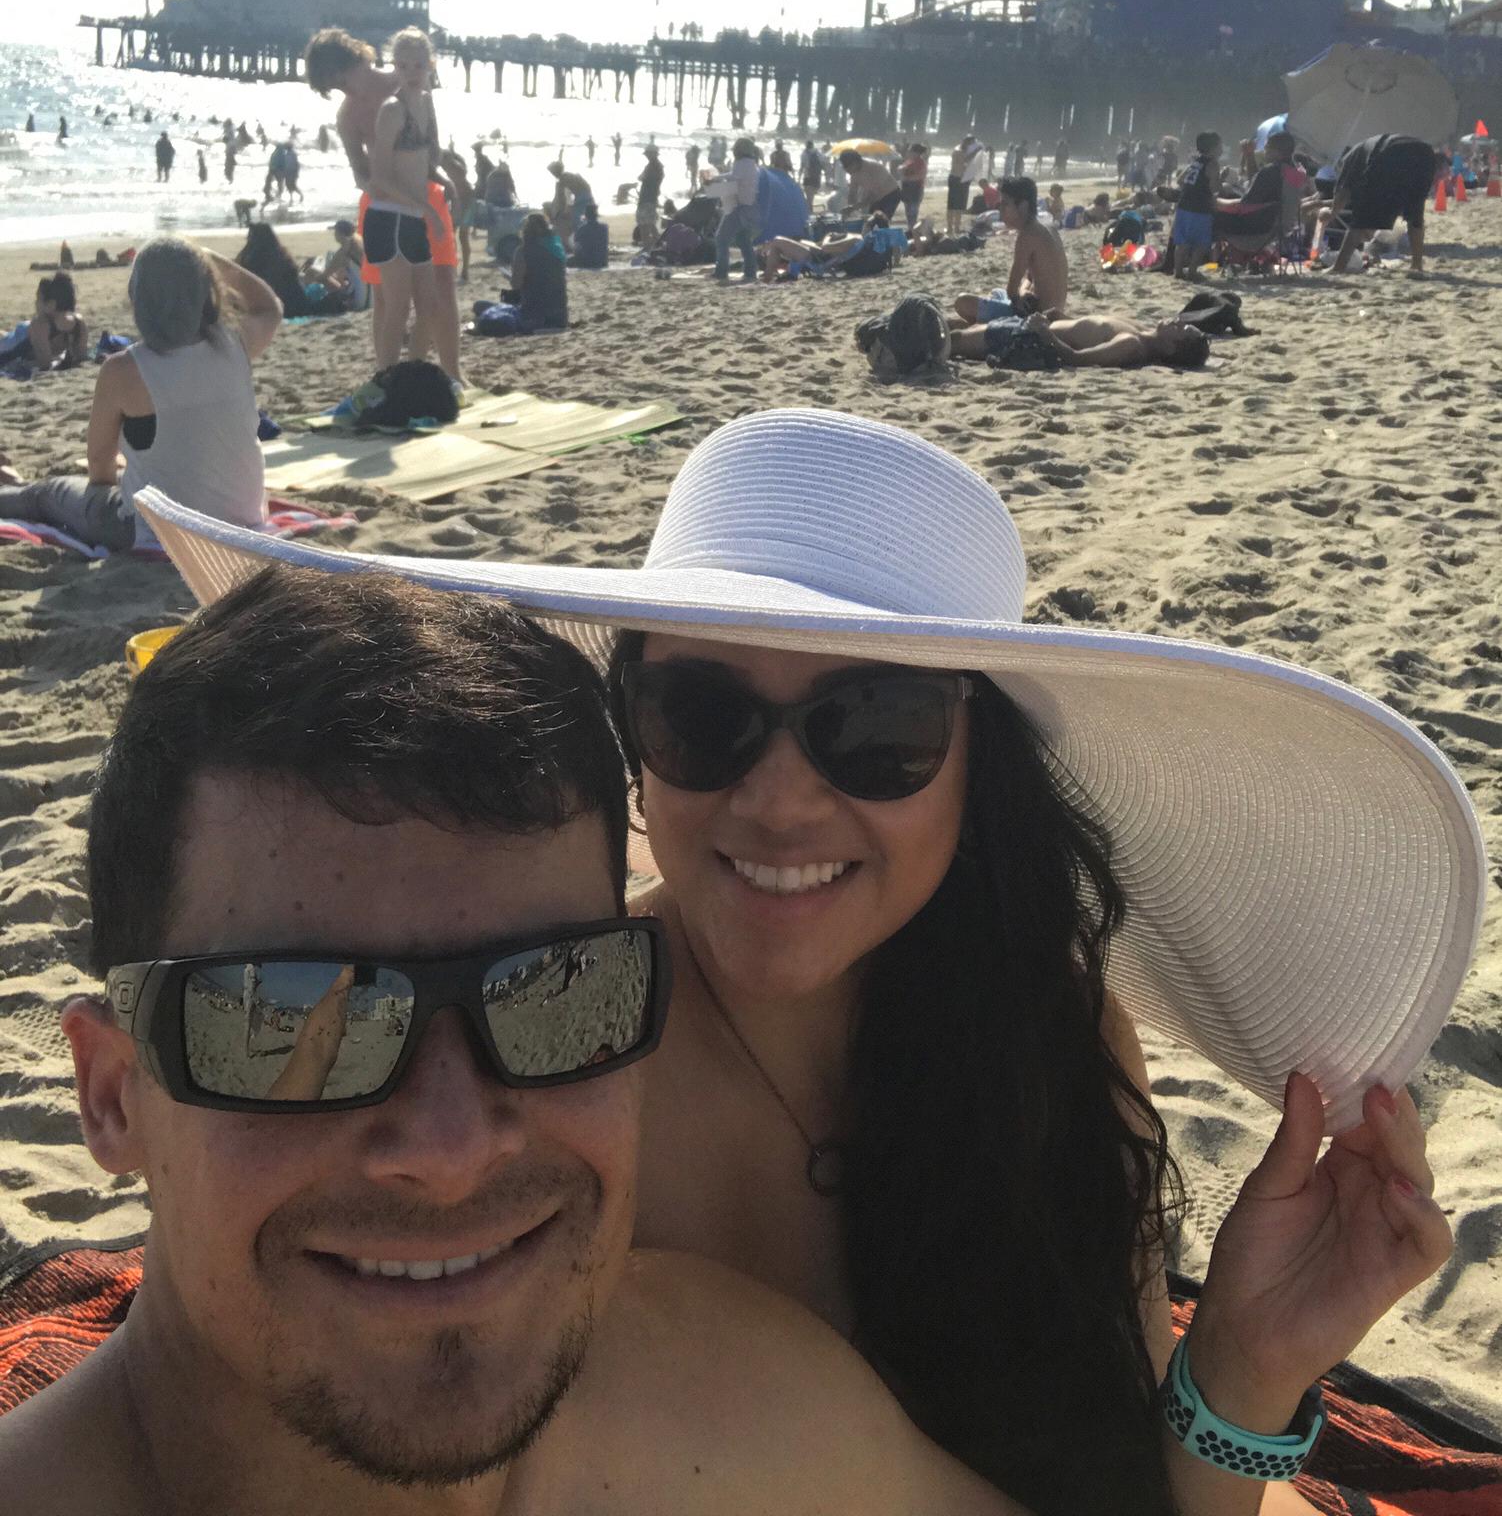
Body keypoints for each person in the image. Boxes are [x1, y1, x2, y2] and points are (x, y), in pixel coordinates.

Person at [146, 410, 1476, 1516]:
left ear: (974, 767)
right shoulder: (537, 1072)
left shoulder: (1043, 1029)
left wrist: (1243, 1367)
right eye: (705, 714)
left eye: (872, 726)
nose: (778, 804)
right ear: (631, 737)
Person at [0, 562, 1033, 1516]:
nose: (451, 1150)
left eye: (551, 990)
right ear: (112, 1093)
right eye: (292, 1018)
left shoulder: (742, 1398)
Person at [0, 241, 278, 552]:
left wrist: (103, 495)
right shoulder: (234, 345)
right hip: (242, 518)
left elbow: (99, 465)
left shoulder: (124, 369)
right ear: (204, 291)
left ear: (138, 299)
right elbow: (269, 306)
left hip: (152, 530)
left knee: (48, 494)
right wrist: (209, 259)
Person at [364, 29, 458, 381]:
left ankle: (413, 374)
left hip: (415, 215)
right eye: (403, 65)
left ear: (430, 65)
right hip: (388, 219)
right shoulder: (392, 110)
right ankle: (387, 380)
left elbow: (425, 161)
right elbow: (380, 180)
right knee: (397, 308)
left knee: (430, 307)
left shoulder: (427, 103)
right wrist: (429, 209)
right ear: (394, 67)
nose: (412, 71)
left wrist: (444, 180)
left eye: (418, 64)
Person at [952, 177, 1068, 323]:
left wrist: (1018, 294)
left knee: (962, 302)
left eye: (1005, 204)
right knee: (995, 292)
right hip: (1050, 308)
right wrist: (1024, 291)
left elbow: (1011, 290)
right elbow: (1030, 277)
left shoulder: (1027, 235)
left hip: (1037, 316)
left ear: (1023, 206)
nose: (1000, 209)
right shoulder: (1047, 228)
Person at [1324, 136, 1443, 278]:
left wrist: (1332, 213)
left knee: (1362, 218)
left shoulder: (1350, 159)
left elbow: (1343, 192)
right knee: (1415, 213)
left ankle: (1339, 267)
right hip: (1424, 154)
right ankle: (1416, 266)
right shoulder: (1364, 148)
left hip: (1388, 154)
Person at [951, 309, 1210, 371]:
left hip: (1027, 336)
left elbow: (1078, 359)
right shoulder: (1142, 331)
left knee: (955, 340)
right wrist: (1060, 317)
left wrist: (1046, 333)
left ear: (1170, 346)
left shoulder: (1132, 345)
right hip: (1038, 324)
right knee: (959, 326)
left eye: (1181, 329)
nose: (1177, 321)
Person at [762, 210, 902, 283]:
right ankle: (786, 273)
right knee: (802, 241)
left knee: (777, 241)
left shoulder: (856, 238)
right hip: (824, 259)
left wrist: (829, 236)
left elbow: (825, 248)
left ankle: (767, 279)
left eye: (865, 225)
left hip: (817, 259)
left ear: (868, 227)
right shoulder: (873, 245)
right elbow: (897, 256)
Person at [0, 273, 88, 375]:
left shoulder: (78, 325)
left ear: (51, 305)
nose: (35, 303)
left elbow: (80, 358)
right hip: (18, 337)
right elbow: (45, 364)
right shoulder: (76, 324)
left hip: (26, 330)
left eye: (38, 299)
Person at [1170, 132, 1222, 280]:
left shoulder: (1195, 161)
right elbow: (1214, 188)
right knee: (1201, 242)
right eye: (1220, 145)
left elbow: (1180, 180)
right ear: (1213, 148)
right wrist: (1221, 182)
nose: (1222, 149)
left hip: (1184, 205)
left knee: (1182, 242)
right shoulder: (1213, 163)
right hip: (1200, 207)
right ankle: (1192, 271)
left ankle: (1178, 272)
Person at [238, 220, 311, 319]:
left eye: (250, 236)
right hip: (298, 303)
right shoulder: (280, 252)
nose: (247, 238)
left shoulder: (258, 257)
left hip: (282, 305)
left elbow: (245, 275)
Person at [509, 212, 569, 329]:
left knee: (481, 305)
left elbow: (516, 285)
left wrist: (511, 276)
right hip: (559, 316)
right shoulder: (557, 248)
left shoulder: (523, 251)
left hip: (533, 315)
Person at [714, 139, 761, 283]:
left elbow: (734, 177)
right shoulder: (751, 164)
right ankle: (750, 272)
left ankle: (721, 272)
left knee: (721, 238)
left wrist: (715, 178)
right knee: (743, 240)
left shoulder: (742, 163)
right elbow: (736, 177)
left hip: (739, 207)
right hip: (749, 206)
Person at [838, 150, 902, 220]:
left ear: (855, 162)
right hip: (875, 197)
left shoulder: (872, 167)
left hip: (891, 194)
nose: (847, 171)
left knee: (880, 219)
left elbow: (874, 194)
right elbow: (852, 193)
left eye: (848, 167)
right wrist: (849, 208)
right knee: (870, 221)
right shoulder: (854, 173)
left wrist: (855, 207)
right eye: (845, 168)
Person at [571, 199, 610, 270]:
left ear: (586, 216)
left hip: (587, 262)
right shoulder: (604, 228)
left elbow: (577, 248)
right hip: (602, 261)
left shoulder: (581, 229)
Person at [638, 147, 665, 245]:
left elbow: (643, 178)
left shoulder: (653, 166)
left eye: (648, 154)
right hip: (651, 197)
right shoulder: (656, 166)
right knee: (650, 223)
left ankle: (648, 247)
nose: (647, 156)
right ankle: (657, 244)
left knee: (644, 224)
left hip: (647, 197)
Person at [898, 142, 929, 230]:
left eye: (910, 151)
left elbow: (920, 176)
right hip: (907, 189)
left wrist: (905, 177)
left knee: (912, 212)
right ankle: (910, 229)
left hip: (915, 189)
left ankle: (913, 229)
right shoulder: (909, 161)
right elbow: (900, 169)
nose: (908, 152)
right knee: (908, 212)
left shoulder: (920, 162)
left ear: (915, 152)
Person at [799, 138, 825, 210]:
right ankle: (810, 211)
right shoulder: (818, 153)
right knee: (811, 198)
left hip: (808, 177)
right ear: (812, 145)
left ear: (806, 145)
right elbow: (823, 164)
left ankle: (809, 213)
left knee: (809, 198)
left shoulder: (804, 154)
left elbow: (802, 166)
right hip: (816, 178)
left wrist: (798, 179)